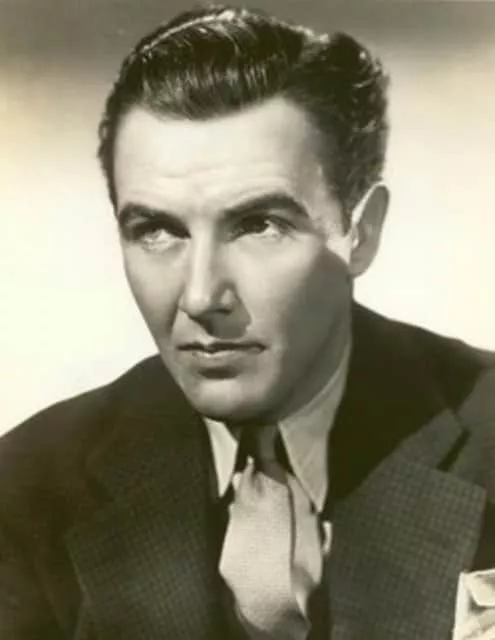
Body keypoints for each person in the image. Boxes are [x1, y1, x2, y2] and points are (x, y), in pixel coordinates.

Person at [1, 5, 494, 640]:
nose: (201, 295)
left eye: (259, 225)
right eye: (157, 231)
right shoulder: (27, 489)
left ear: (362, 232)